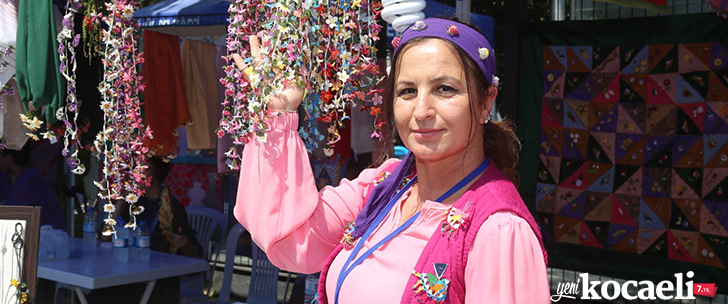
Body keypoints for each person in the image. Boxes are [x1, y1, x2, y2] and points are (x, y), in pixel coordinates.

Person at [233, 18, 550, 303]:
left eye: (444, 89)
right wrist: (277, 115)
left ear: (485, 103)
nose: (421, 111)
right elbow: (292, 239)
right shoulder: (385, 185)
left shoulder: (499, 229)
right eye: (408, 91)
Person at [89, 156, 202, 304]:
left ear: (158, 170)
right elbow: (105, 237)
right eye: (135, 165)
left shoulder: (170, 206)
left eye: (145, 164)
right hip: (126, 276)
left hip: (159, 280)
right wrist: (120, 203)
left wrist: (183, 242)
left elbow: (195, 253)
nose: (139, 170)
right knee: (96, 295)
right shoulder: (130, 204)